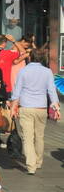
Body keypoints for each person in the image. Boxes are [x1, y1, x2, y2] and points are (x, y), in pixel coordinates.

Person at [8, 47, 59, 176]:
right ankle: (38, 161)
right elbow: (51, 90)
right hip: (41, 108)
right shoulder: (47, 72)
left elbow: (17, 91)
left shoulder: (23, 71)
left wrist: (14, 106)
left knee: (28, 137)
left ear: (30, 58)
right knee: (39, 136)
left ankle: (31, 165)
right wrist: (55, 105)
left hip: (26, 107)